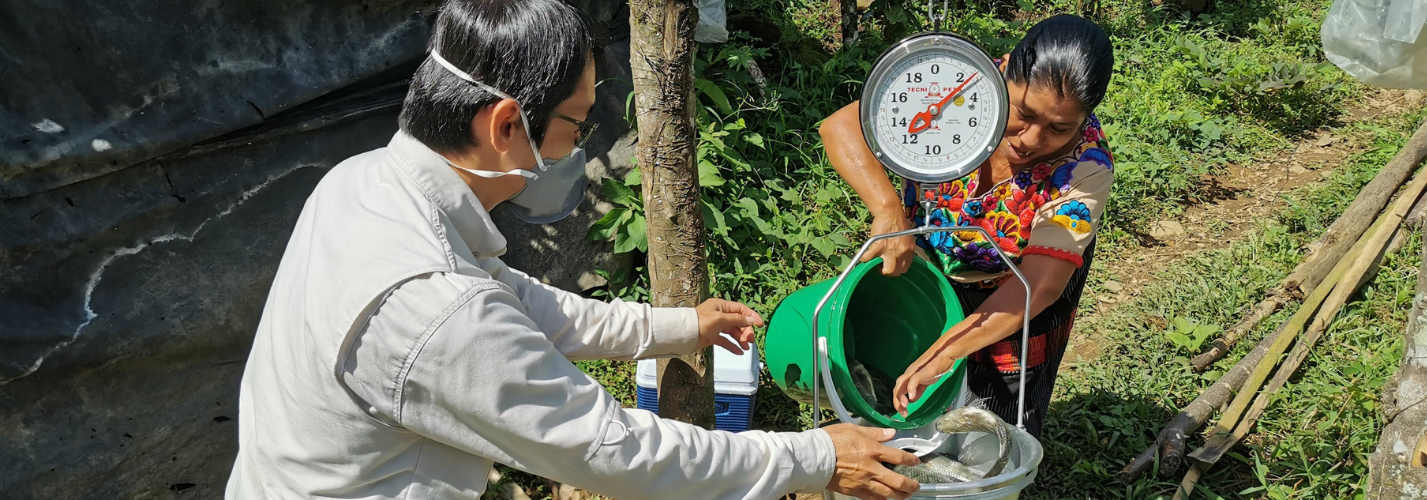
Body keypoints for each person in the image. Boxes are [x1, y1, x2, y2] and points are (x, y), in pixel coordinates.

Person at [223, 0, 922, 499]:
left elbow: (523, 305)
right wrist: (812, 455)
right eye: (576, 126)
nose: (577, 149)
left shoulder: (363, 183)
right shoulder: (437, 312)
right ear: (505, 123)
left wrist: (684, 326)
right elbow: (615, 451)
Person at [819, 14, 1115, 437]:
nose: (1031, 139)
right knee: (904, 384)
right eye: (1023, 114)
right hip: (931, 266)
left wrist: (946, 352)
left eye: (1058, 129)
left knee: (994, 423)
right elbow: (841, 127)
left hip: (1016, 286)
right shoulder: (956, 84)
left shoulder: (1086, 169)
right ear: (1007, 69)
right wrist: (888, 210)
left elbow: (1038, 285)